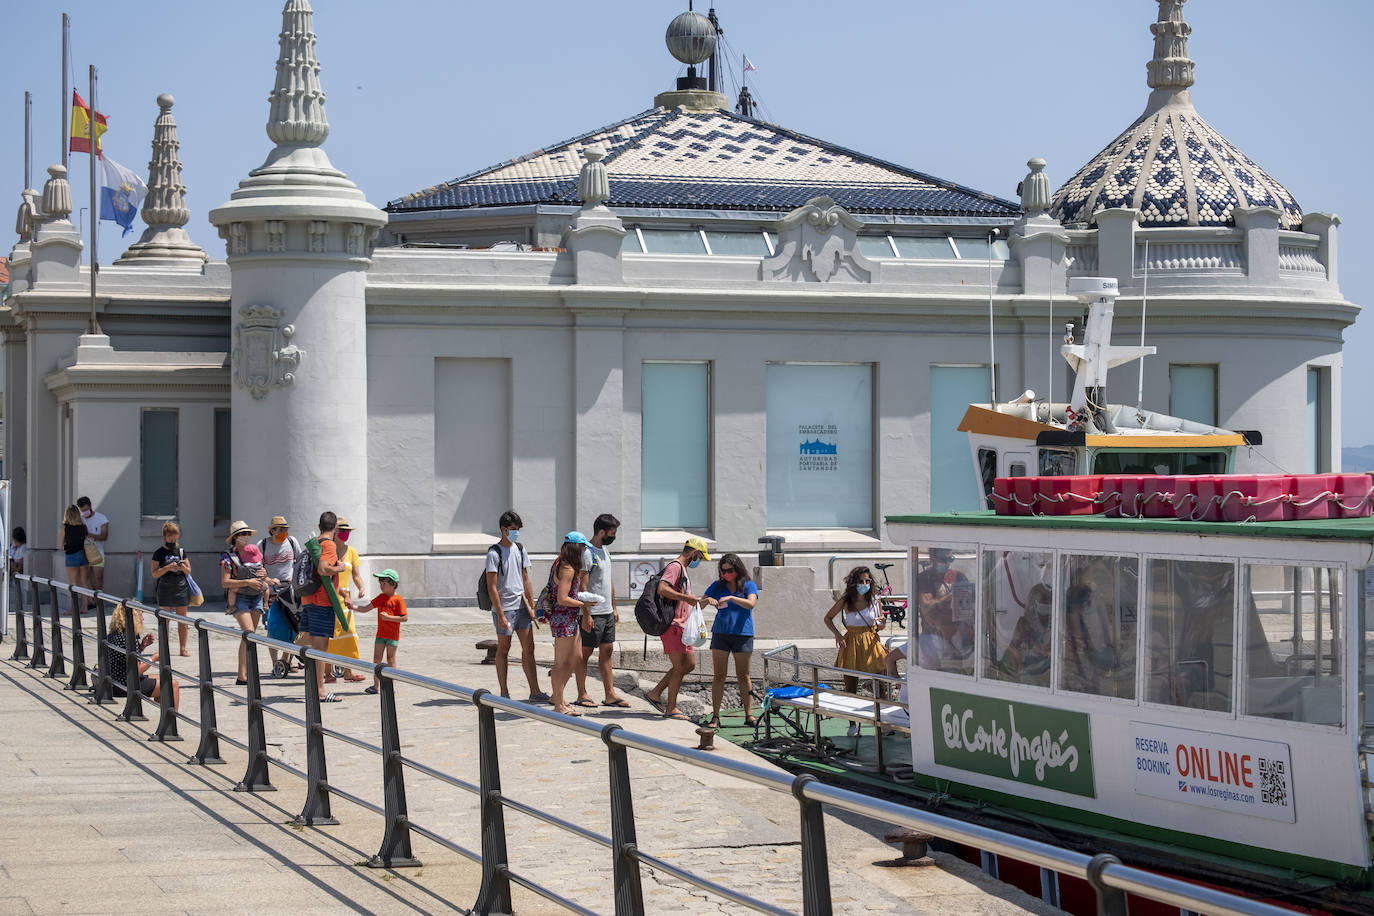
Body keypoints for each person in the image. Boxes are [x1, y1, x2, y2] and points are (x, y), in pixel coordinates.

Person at [644, 537, 712, 721]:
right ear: (694, 552)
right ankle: (671, 708)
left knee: (689, 665)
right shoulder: (675, 566)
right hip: (673, 624)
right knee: (680, 666)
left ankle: (655, 693)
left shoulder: (683, 569)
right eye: (700, 557)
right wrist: (687, 598)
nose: (699, 561)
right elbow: (662, 589)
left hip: (683, 625)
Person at [485, 510, 545, 701]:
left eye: (517, 529)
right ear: (503, 529)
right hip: (505, 608)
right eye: (512, 529)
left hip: (522, 607)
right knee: (504, 648)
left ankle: (535, 691)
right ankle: (504, 692)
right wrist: (501, 615)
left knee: (529, 647)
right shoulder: (494, 553)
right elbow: (492, 587)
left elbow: (525, 578)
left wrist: (532, 604)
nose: (516, 532)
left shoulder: (520, 549)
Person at [573, 514, 629, 709]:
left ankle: (610, 694)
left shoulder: (605, 551)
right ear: (602, 532)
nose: (613, 537)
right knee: (585, 652)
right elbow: (583, 584)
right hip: (592, 612)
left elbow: (608, 581)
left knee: (607, 651)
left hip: (606, 612)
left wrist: (613, 607)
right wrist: (586, 614)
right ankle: (582, 694)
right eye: (612, 533)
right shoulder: (587, 553)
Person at [824, 566, 888, 733]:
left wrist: (882, 624)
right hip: (851, 641)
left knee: (880, 684)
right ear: (854, 583)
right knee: (851, 685)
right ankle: (852, 725)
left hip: (871, 641)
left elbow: (880, 624)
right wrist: (838, 635)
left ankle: (885, 723)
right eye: (861, 581)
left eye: (868, 581)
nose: (865, 584)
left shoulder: (875, 599)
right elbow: (828, 618)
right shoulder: (847, 600)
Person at [701, 553, 759, 729]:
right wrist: (707, 600)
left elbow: (751, 604)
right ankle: (716, 716)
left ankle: (749, 714)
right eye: (723, 571)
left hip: (742, 634)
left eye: (730, 571)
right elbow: (699, 603)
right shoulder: (717, 586)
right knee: (719, 675)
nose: (726, 574)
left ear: (737, 569)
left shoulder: (748, 585)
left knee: (744, 675)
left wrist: (732, 598)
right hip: (721, 633)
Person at [547, 532, 599, 717]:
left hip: (569, 618)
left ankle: (558, 696)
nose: (585, 551)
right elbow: (562, 598)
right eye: (583, 548)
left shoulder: (561, 562)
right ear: (577, 548)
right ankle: (559, 703)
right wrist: (583, 604)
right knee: (560, 663)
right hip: (563, 619)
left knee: (576, 656)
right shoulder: (567, 568)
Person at [302, 511, 349, 703]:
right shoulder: (328, 544)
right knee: (320, 649)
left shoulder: (314, 543)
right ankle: (320, 691)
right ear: (335, 527)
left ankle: (313, 687)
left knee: (313, 647)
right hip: (323, 601)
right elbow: (323, 569)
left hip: (309, 600)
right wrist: (340, 567)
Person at [105, 601, 180, 711]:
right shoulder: (129, 638)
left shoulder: (115, 634)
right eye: (140, 615)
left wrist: (141, 647)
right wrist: (153, 658)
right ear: (133, 617)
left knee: (165, 678)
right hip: (125, 684)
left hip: (115, 681)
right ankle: (171, 722)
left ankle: (165, 717)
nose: (142, 619)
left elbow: (125, 659)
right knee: (173, 685)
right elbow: (136, 671)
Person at [221, 520, 269, 685]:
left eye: (248, 534)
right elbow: (225, 583)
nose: (247, 537)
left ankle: (245, 672)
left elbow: (261, 573)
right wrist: (247, 582)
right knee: (248, 632)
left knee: (251, 636)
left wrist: (263, 574)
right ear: (235, 537)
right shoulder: (228, 556)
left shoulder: (254, 552)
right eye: (243, 534)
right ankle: (242, 675)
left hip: (256, 596)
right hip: (240, 597)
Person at [324, 517, 368, 684]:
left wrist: (361, 587)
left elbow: (356, 575)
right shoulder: (329, 550)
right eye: (342, 531)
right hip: (331, 595)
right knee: (329, 634)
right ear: (335, 532)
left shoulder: (351, 551)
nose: (345, 534)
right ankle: (328, 673)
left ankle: (349, 671)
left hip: (347, 599)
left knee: (349, 633)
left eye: (348, 532)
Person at [916, 548, 974, 672]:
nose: (947, 563)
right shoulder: (924, 578)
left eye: (950, 559)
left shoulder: (958, 576)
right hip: (933, 639)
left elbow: (969, 608)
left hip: (958, 639)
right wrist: (952, 595)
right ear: (932, 557)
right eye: (943, 559)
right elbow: (927, 606)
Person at [258, 515, 302, 677]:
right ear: (272, 530)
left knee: (291, 626)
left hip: (290, 591)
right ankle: (275, 663)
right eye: (281, 529)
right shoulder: (262, 545)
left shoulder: (292, 542)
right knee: (272, 628)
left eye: (286, 529)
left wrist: (295, 577)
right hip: (271, 592)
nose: (284, 532)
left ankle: (286, 661)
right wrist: (269, 579)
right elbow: (257, 569)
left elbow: (300, 561)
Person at [361, 569, 408, 695]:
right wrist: (352, 607)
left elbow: (404, 618)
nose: (381, 586)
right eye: (380, 583)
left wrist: (388, 618)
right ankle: (376, 686)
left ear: (393, 585)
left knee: (390, 659)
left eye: (384, 583)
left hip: (392, 636)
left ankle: (390, 686)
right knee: (376, 659)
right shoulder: (381, 598)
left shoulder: (398, 600)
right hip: (380, 634)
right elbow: (366, 608)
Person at [151, 521, 192, 656]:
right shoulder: (159, 553)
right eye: (170, 536)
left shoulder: (181, 551)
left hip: (180, 587)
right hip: (165, 588)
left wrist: (182, 567)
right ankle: (163, 649)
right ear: (164, 536)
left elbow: (189, 571)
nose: (173, 539)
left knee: (183, 619)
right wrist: (167, 567)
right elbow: (154, 573)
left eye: (175, 536)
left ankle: (183, 647)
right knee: (165, 620)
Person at [59, 504, 91, 614]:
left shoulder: (65, 528)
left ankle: (73, 608)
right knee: (84, 582)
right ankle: (84, 607)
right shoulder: (83, 527)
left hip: (71, 555)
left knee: (72, 583)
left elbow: (61, 543)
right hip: (83, 554)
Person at [77, 496, 109, 591]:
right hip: (83, 552)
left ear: (90, 506)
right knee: (85, 578)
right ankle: (90, 602)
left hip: (98, 552)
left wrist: (90, 535)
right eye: (82, 510)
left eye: (86, 509)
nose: (84, 512)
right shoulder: (80, 519)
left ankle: (98, 600)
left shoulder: (101, 518)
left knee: (98, 577)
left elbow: (105, 536)